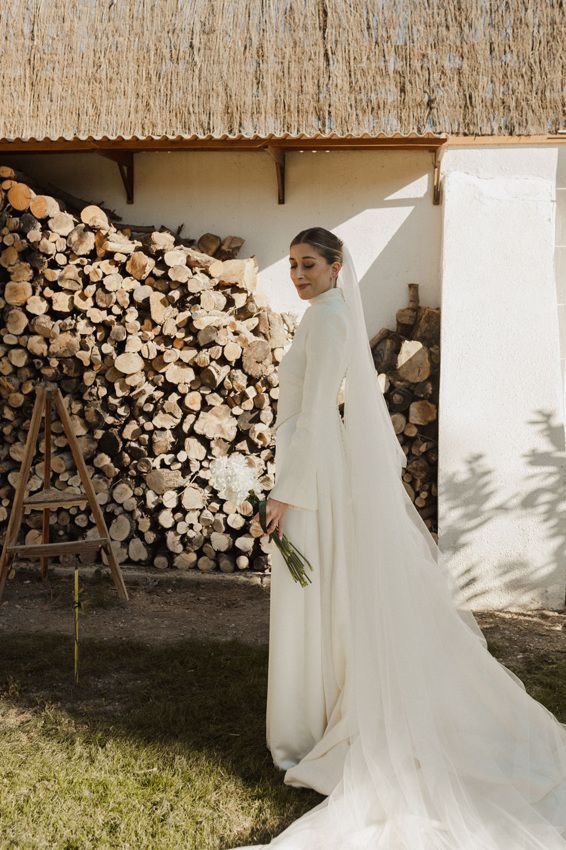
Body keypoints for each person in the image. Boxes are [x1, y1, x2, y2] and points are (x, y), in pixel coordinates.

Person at [229, 228, 566, 850]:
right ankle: (317, 710)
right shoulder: (324, 315)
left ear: (336, 269)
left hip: (313, 473)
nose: (298, 274)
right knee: (318, 591)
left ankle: (310, 727)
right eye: (294, 265)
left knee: (314, 594)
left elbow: (316, 413)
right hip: (312, 464)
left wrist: (287, 491)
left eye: (309, 265)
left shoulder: (327, 320)